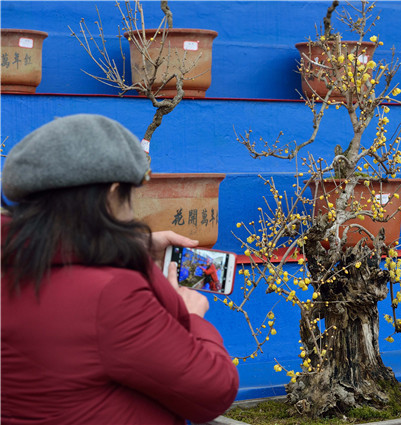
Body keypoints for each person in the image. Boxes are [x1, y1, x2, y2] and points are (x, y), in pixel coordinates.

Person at [1, 114, 239, 425]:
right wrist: (191, 317)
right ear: (113, 193)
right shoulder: (112, 295)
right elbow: (213, 389)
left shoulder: (13, 262)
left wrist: (133, 247)